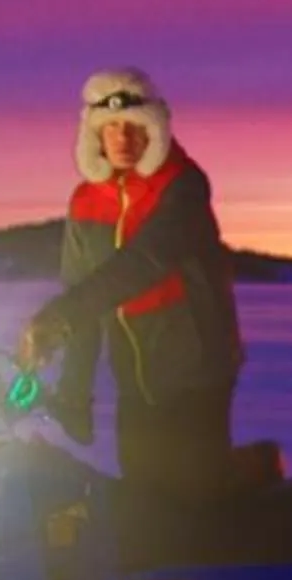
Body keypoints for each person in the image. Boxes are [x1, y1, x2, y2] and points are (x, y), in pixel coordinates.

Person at [15, 69, 245, 496]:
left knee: (196, 497)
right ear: (94, 136)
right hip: (134, 376)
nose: (122, 138)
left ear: (154, 130)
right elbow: (82, 293)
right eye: (110, 128)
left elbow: (146, 261)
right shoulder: (86, 201)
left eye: (134, 126)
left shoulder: (182, 185)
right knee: (142, 494)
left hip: (196, 369)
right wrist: (73, 390)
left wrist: (61, 314)